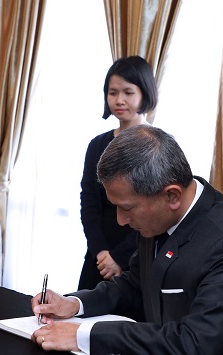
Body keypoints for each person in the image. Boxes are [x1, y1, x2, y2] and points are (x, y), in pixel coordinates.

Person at [31, 125, 223, 355]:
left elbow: (195, 344)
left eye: (127, 208)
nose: (120, 220)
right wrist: (74, 304)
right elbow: (135, 283)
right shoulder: (159, 214)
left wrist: (84, 336)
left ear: (172, 196)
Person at [77, 55, 158, 290]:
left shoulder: (158, 144)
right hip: (99, 256)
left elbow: (154, 210)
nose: (119, 100)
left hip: (139, 252)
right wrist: (101, 253)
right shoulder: (97, 144)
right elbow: (89, 202)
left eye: (128, 92)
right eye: (113, 93)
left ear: (145, 93)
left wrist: (119, 258)